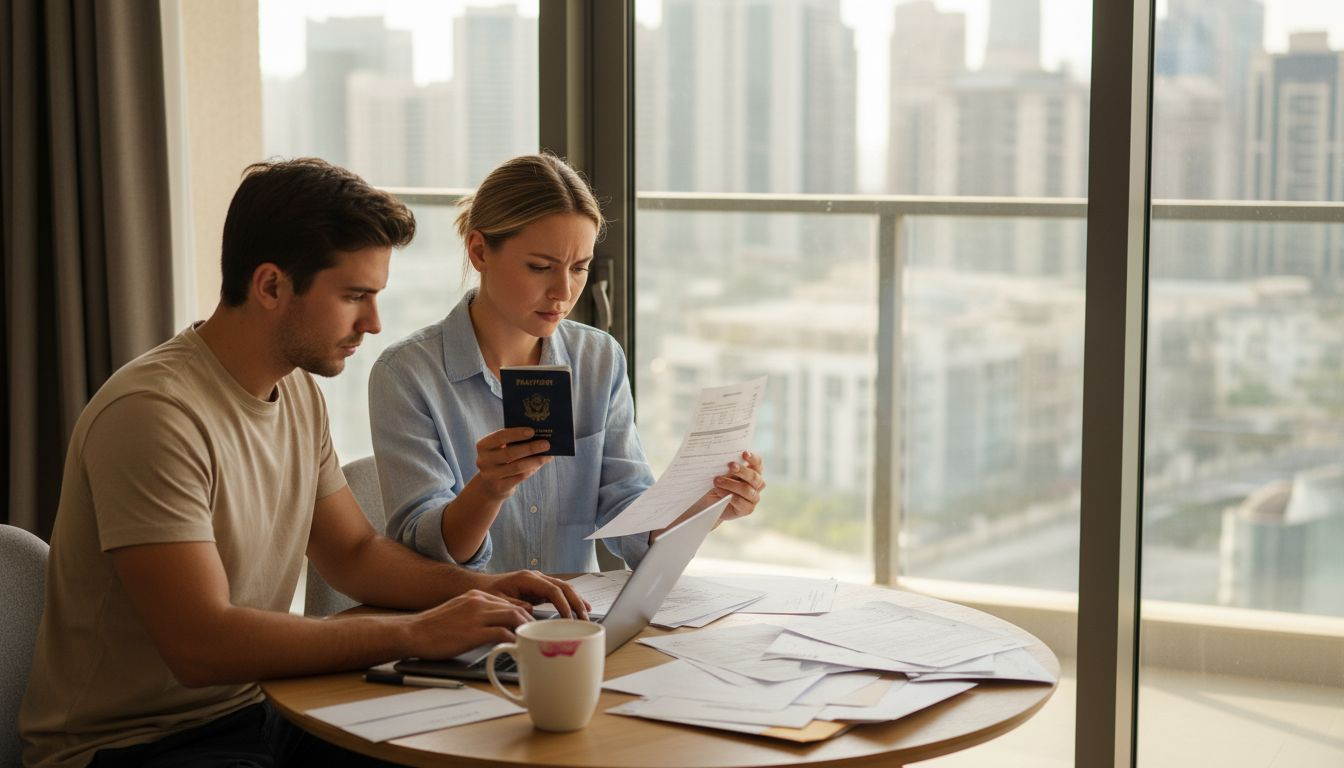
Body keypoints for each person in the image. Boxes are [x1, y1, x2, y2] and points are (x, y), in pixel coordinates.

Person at [18, 158, 587, 768]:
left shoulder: (294, 392)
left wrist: (487, 590)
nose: (373, 324)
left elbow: (354, 555)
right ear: (270, 286)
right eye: (354, 297)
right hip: (131, 746)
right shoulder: (153, 415)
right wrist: (414, 634)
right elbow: (200, 646)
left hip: (258, 710)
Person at [369, 153, 766, 575]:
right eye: (541, 267)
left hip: (575, 625)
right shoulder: (406, 374)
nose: (563, 291)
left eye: (580, 268)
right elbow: (424, 553)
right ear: (479, 250)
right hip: (468, 628)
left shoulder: (598, 360)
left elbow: (626, 511)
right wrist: (487, 492)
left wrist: (704, 508)